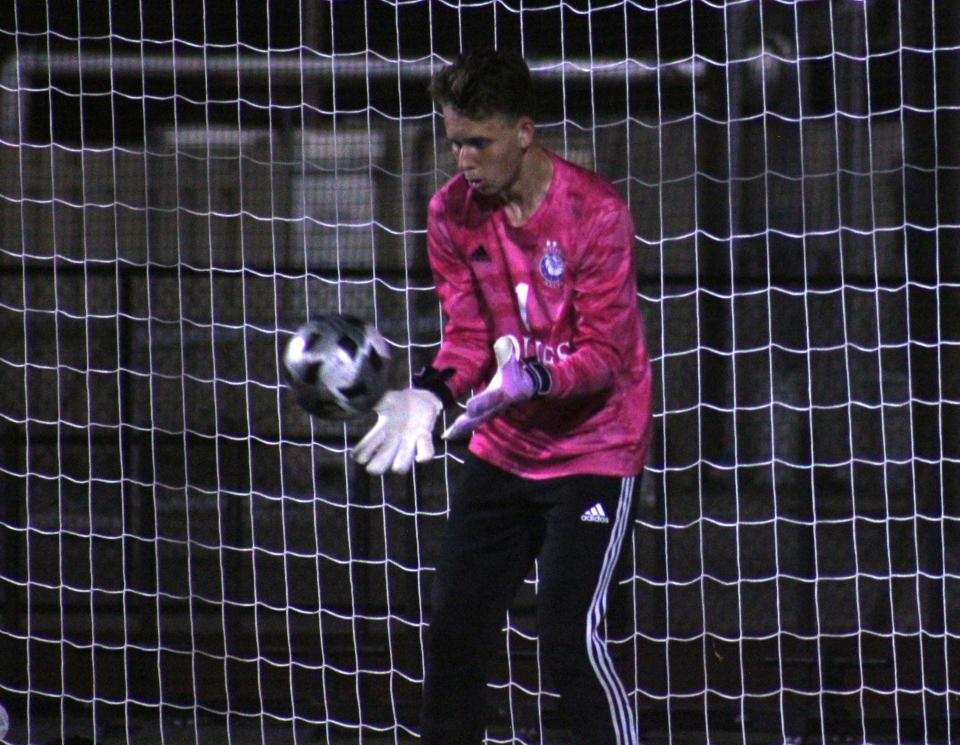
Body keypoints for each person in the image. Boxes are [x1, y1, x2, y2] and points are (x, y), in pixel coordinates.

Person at [353, 48, 653, 745]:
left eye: (478, 142)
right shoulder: (450, 213)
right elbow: (465, 336)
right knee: (453, 632)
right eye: (454, 140)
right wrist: (428, 394)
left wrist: (533, 380)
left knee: (568, 640)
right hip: (505, 445)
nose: (463, 158)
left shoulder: (596, 213)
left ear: (524, 131)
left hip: (595, 451)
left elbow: (607, 357)